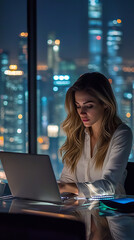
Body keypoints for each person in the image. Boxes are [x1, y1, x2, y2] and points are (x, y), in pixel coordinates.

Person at [58, 72, 133, 198]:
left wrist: (66, 187)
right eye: (78, 106)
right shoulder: (79, 135)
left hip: (110, 213)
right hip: (80, 212)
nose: (82, 112)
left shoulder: (121, 134)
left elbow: (109, 186)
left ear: (105, 104)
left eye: (89, 106)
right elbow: (66, 180)